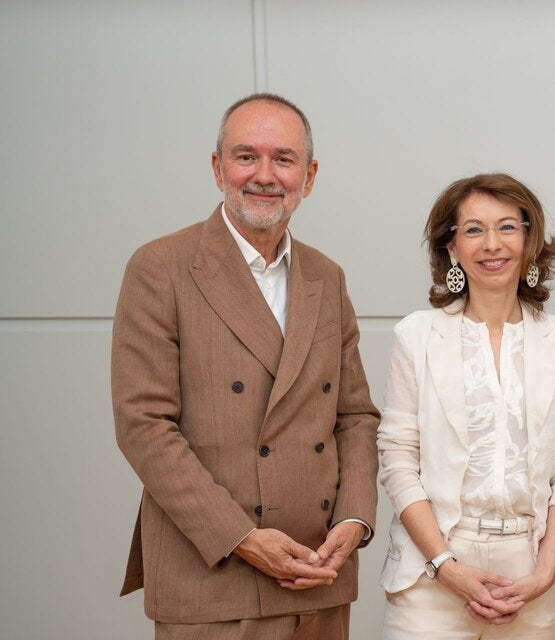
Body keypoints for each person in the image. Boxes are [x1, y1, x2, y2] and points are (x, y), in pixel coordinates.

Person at [112, 93, 380, 640]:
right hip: (213, 575)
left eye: (283, 159)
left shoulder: (326, 277)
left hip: (317, 571)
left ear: (309, 176)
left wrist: (353, 520)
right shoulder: (161, 266)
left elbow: (354, 416)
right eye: (245, 156)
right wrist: (242, 537)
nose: (264, 175)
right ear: (217, 168)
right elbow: (144, 425)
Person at [377, 173, 555, 639]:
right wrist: (446, 566)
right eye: (473, 229)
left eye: (507, 227)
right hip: (430, 573)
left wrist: (543, 571)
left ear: (530, 239)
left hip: (534, 575)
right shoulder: (415, 336)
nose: (492, 244)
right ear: (451, 248)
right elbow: (397, 460)